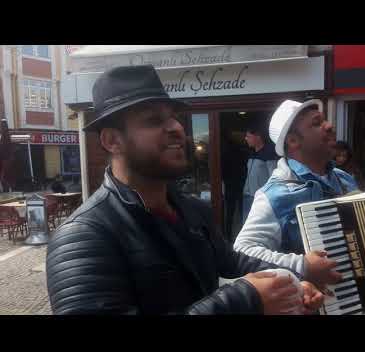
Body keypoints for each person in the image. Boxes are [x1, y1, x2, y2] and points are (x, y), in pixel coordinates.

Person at [46, 65, 324, 315]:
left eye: (175, 117)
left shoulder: (192, 211)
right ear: (111, 140)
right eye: (154, 120)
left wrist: (293, 282)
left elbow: (233, 261)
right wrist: (244, 300)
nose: (177, 128)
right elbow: (241, 294)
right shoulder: (82, 238)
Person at [234, 99, 365, 288]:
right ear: (294, 141)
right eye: (317, 123)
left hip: (358, 294)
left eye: (325, 120)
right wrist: (302, 265)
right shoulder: (275, 195)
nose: (330, 126)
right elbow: (243, 250)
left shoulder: (342, 178)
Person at [242, 122, 279, 223]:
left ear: (258, 136)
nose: (246, 139)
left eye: (248, 136)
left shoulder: (270, 153)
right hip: (247, 197)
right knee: (246, 226)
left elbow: (274, 178)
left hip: (260, 199)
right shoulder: (252, 153)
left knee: (257, 226)